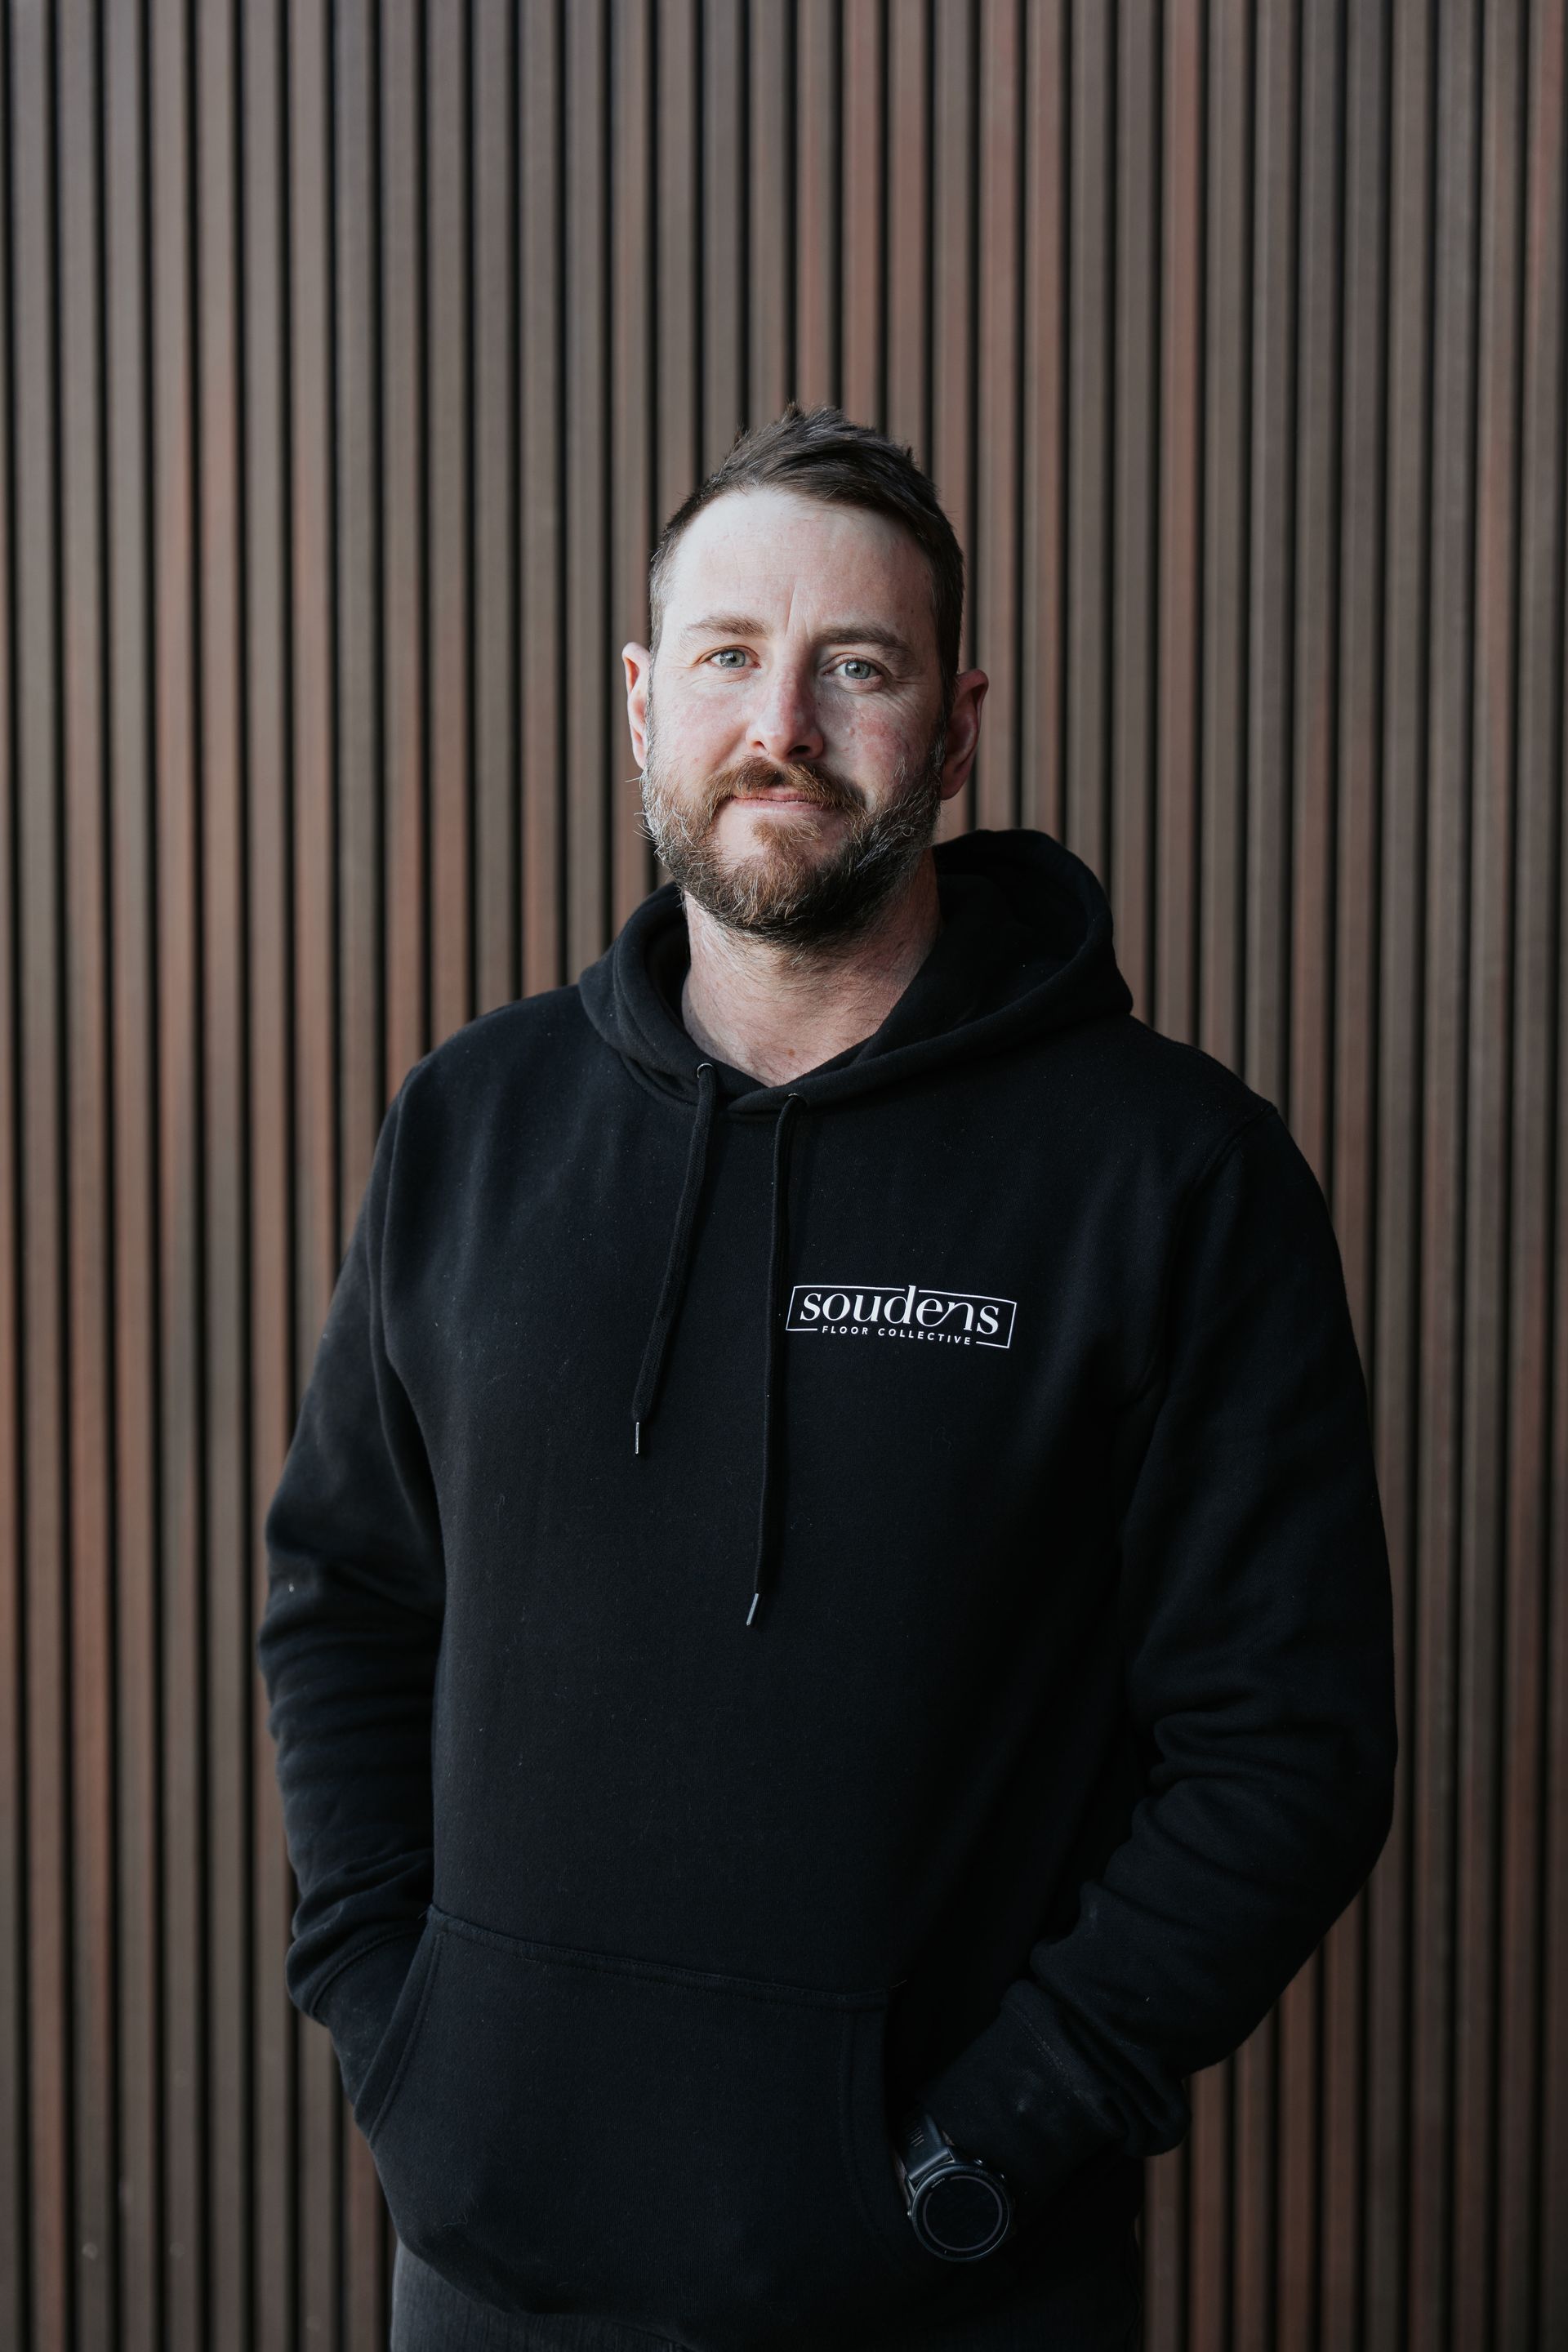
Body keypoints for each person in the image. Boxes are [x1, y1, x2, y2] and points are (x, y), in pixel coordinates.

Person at [256, 403, 1397, 2352]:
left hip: (948, 2285)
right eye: (725, 658)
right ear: (642, 699)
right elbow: (343, 1606)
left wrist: (985, 2148)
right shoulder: (472, 1124)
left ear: (953, 725)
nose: (777, 721)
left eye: (852, 666)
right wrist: (399, 2027)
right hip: (486, 2271)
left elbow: (1286, 1750)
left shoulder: (1171, 1174)